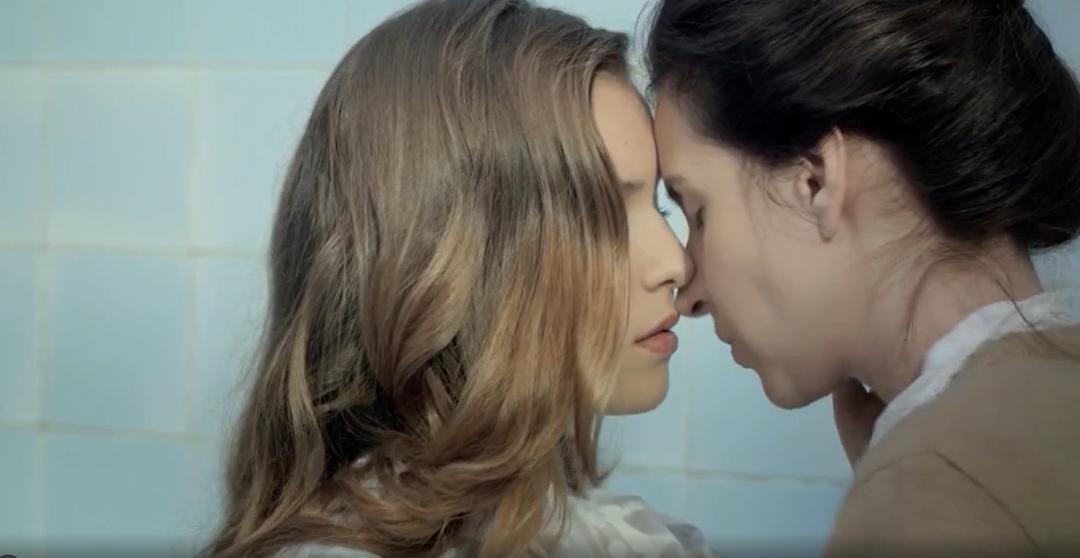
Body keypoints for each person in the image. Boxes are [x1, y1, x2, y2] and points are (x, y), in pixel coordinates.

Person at [202, 1, 711, 557]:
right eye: (605, 217)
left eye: (658, 207)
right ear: (449, 257)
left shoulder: (616, 535)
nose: (677, 263)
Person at [646, 0, 1080, 555]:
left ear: (816, 182)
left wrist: (910, 492)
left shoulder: (942, 489)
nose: (689, 295)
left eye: (699, 212)